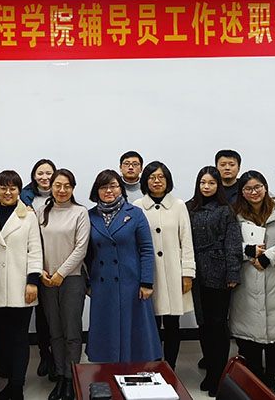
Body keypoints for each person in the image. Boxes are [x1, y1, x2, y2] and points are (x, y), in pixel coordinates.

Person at [229, 170, 275, 394]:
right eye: (248, 189)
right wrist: (248, 251)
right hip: (248, 279)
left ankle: (270, 376)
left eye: (258, 187)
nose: (254, 192)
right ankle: (253, 375)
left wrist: (268, 257)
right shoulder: (235, 214)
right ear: (242, 192)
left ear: (265, 187)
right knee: (249, 335)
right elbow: (229, 244)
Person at [85, 169, 161, 363]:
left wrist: (147, 282)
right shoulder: (90, 216)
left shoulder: (135, 213)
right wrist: (88, 282)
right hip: (102, 283)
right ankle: (108, 369)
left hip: (131, 282)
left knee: (133, 331)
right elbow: (87, 254)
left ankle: (131, 371)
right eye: (103, 187)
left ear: (121, 189)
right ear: (96, 191)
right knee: (105, 329)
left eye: (113, 186)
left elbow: (146, 249)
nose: (109, 191)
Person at [0, 170, 43, 400]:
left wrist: (33, 282)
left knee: (19, 337)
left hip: (21, 285)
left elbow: (35, 250)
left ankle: (17, 386)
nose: (8, 192)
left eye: (13, 188)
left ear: (19, 190)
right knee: (2, 336)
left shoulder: (29, 216)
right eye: (3, 188)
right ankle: (8, 376)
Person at [133, 161, 195, 371]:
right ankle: (152, 365)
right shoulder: (138, 206)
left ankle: (170, 367)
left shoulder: (178, 205)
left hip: (173, 272)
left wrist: (187, 274)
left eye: (161, 177)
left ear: (168, 180)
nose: (157, 181)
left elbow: (186, 241)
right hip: (149, 275)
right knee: (150, 324)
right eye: (152, 177)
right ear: (145, 181)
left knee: (172, 324)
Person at [186, 166, 243, 397]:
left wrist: (233, 274)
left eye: (211, 183)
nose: (206, 187)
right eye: (203, 182)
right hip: (196, 272)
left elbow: (233, 244)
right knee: (203, 323)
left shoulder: (225, 210)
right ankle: (210, 367)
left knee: (218, 325)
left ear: (218, 186)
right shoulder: (188, 208)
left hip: (219, 272)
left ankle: (218, 374)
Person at [37, 169, 90, 400]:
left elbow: (81, 249)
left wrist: (61, 273)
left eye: (67, 186)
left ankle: (71, 378)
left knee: (72, 332)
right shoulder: (41, 211)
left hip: (72, 279)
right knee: (55, 331)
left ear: (73, 188)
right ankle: (60, 375)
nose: (62, 190)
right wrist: (41, 271)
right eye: (58, 185)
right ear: (51, 186)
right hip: (46, 279)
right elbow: (35, 244)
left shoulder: (80, 212)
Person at [19, 159, 57, 381]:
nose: (44, 177)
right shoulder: (25, 198)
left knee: (55, 315)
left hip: (56, 262)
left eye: (48, 173)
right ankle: (45, 355)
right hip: (33, 262)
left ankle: (57, 356)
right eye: (40, 173)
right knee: (41, 315)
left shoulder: (62, 195)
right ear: (34, 176)